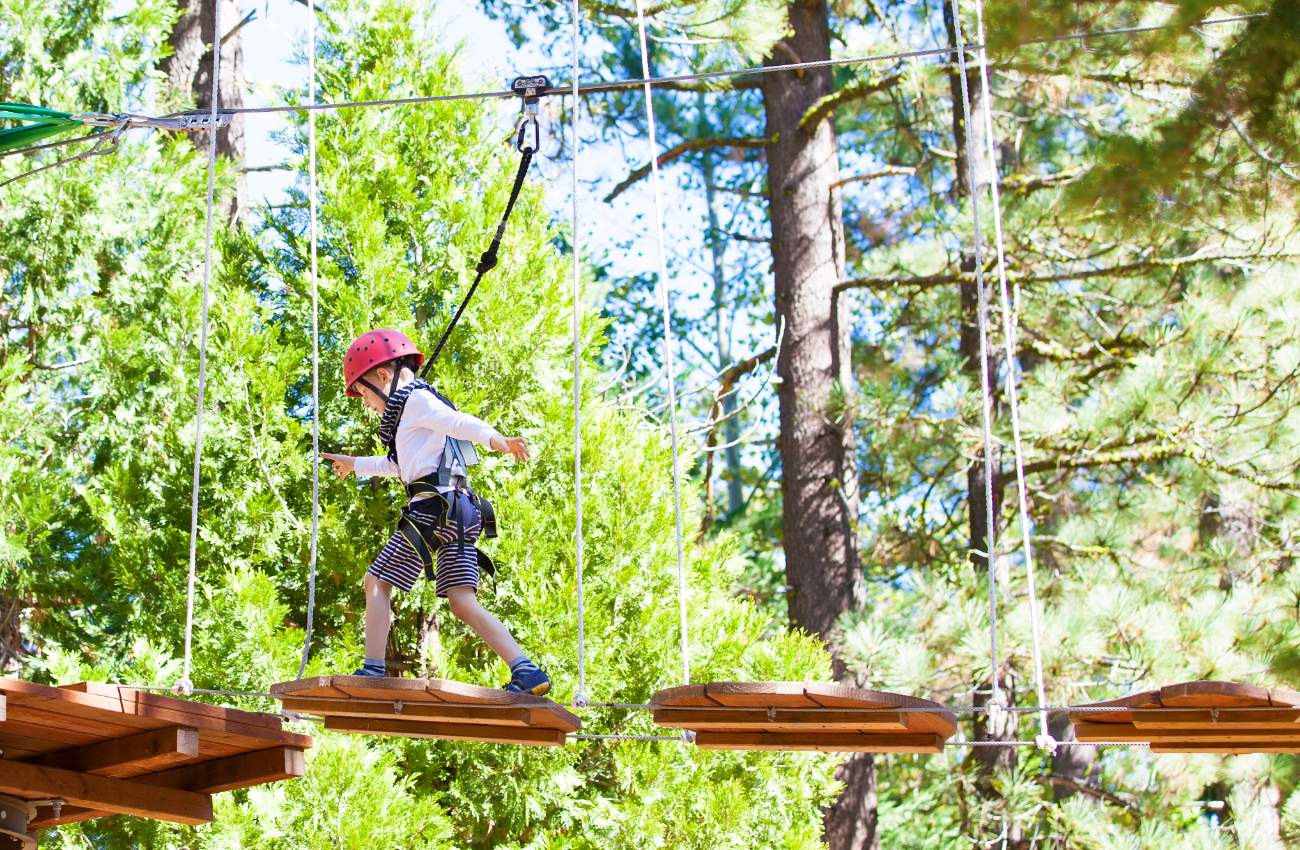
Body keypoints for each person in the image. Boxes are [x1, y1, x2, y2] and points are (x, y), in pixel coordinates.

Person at [321, 328, 550, 695]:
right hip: (460, 510)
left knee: (376, 582)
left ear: (384, 376)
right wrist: (356, 464)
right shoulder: (408, 415)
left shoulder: (415, 402)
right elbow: (400, 466)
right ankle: (527, 671)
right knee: (462, 601)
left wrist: (497, 441)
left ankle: (373, 671)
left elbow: (459, 423)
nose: (366, 403)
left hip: (432, 509)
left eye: (363, 392)